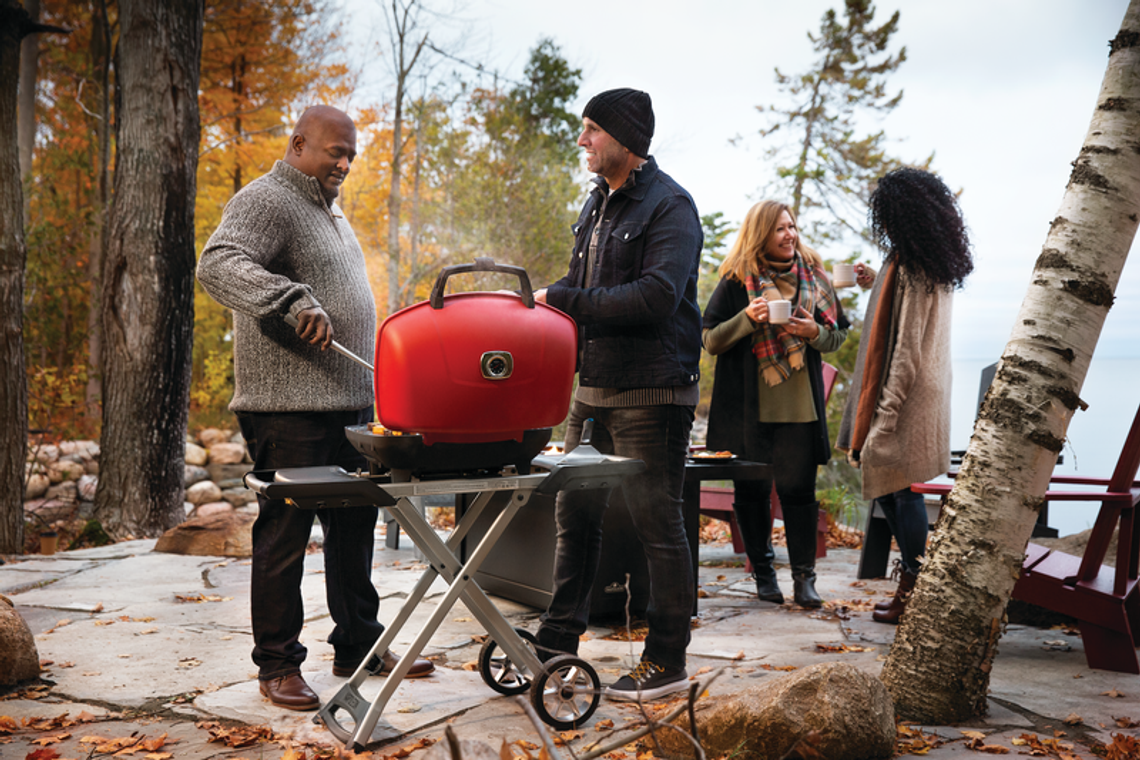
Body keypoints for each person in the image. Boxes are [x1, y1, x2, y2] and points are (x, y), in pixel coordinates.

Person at [197, 105, 432, 712]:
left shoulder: (329, 210)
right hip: (288, 409)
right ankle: (277, 665)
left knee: (354, 531)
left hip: (349, 406)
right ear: (300, 145)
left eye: (351, 154)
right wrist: (290, 298)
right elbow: (218, 264)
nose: (346, 163)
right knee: (285, 534)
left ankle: (358, 644)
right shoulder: (268, 199)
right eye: (336, 152)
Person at [532, 88, 703, 702]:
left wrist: (565, 301)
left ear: (625, 140)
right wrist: (537, 303)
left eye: (591, 131)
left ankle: (666, 660)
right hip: (594, 388)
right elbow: (577, 287)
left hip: (653, 394)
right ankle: (556, 643)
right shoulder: (595, 203)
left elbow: (656, 297)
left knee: (658, 524)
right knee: (574, 515)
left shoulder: (671, 206)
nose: (582, 140)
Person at [836, 167, 973, 624]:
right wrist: (876, 281)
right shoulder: (927, 259)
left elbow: (907, 351)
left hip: (910, 391)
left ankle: (915, 586)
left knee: (901, 487)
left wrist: (886, 417)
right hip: (930, 387)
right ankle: (913, 582)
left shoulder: (915, 265)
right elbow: (906, 317)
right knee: (897, 487)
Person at [703, 201, 850, 609]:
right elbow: (711, 340)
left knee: (799, 494)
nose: (790, 235)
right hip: (748, 411)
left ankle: (805, 580)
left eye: (792, 227)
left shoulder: (816, 278)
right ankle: (764, 575)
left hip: (799, 410)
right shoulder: (736, 280)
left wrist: (813, 332)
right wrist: (748, 318)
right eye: (781, 229)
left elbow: (837, 337)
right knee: (751, 494)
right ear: (761, 234)